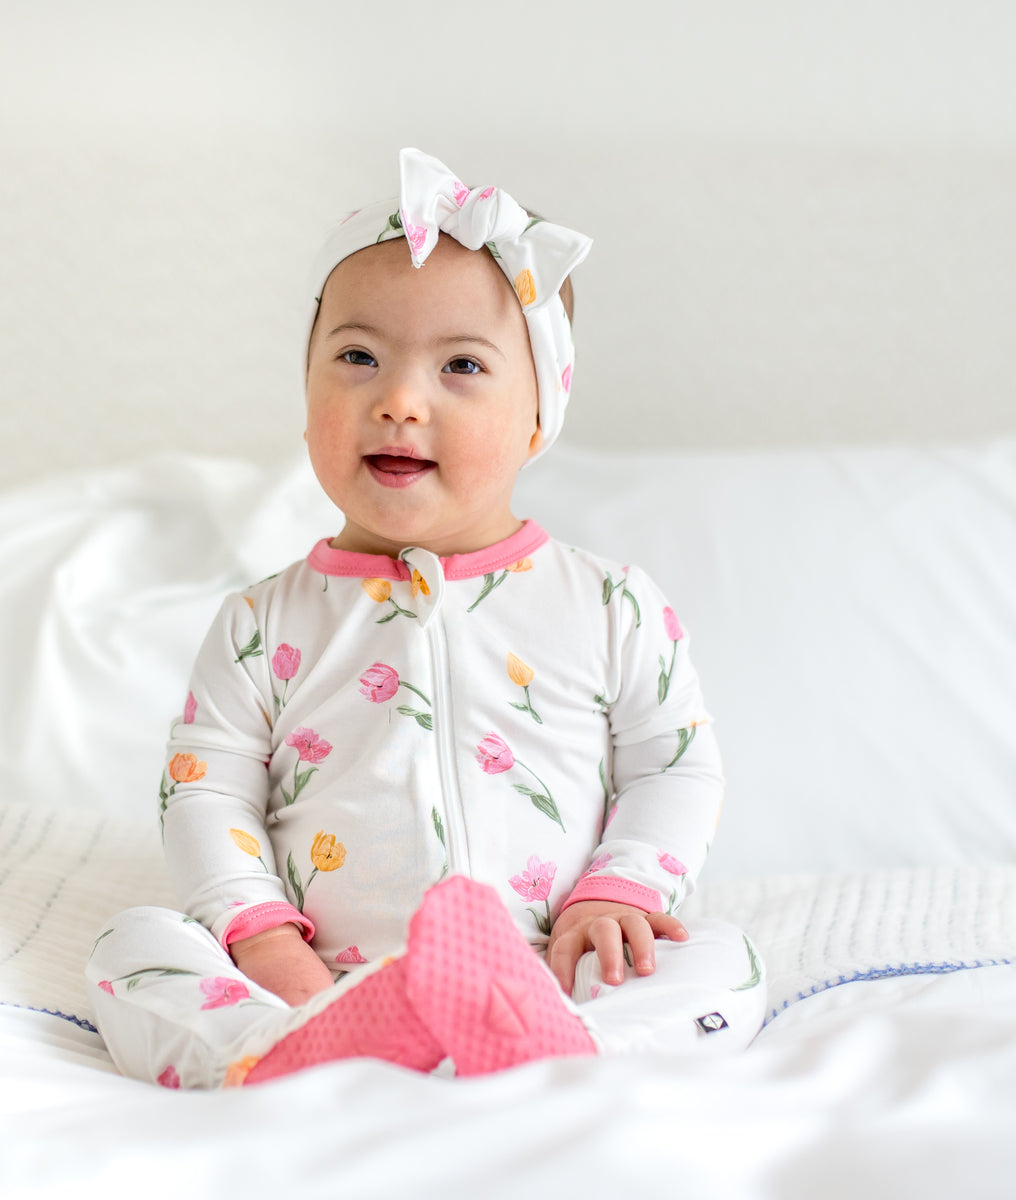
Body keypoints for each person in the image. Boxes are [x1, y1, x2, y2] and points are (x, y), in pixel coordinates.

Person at [86, 147, 766, 1089]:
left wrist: (616, 896)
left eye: (461, 366)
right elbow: (206, 794)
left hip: (549, 971)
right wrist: (264, 938)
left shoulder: (611, 606)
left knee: (723, 960)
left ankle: (567, 1050)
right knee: (134, 945)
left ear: (540, 417)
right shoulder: (260, 623)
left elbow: (674, 764)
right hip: (313, 979)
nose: (399, 400)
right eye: (358, 357)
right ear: (308, 386)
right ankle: (277, 1050)